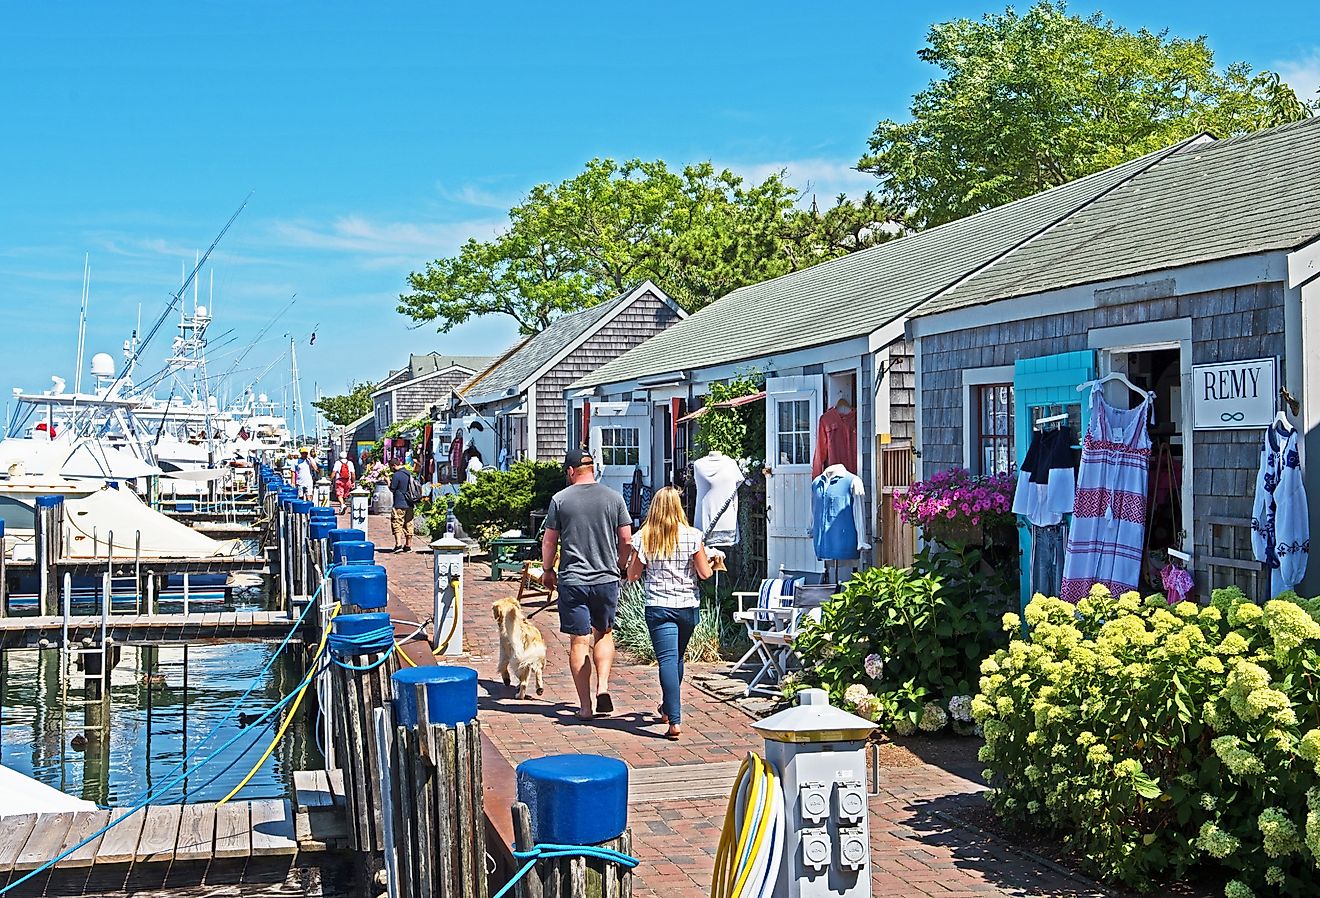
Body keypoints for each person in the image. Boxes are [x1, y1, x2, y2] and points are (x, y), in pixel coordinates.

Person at [541, 449, 632, 721]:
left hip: (573, 579)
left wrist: (547, 570)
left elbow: (549, 541)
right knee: (603, 633)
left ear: (570, 471)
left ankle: (585, 706)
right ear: (593, 468)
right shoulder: (614, 498)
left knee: (579, 641)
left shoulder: (560, 500)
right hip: (606, 578)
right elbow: (626, 540)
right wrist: (621, 566)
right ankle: (602, 686)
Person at [626, 487, 713, 740]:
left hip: (659, 605)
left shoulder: (644, 537)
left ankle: (674, 720)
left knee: (667, 660)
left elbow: (633, 575)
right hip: (686, 605)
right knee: (676, 659)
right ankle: (667, 710)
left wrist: (634, 556)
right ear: (678, 507)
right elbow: (705, 573)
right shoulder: (692, 536)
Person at [388, 458, 417, 552]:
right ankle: (408, 545)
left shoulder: (397, 475)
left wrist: (387, 480)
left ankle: (398, 544)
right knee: (409, 523)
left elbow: (392, 488)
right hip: (410, 503)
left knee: (397, 523)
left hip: (399, 503)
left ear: (393, 466)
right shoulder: (408, 474)